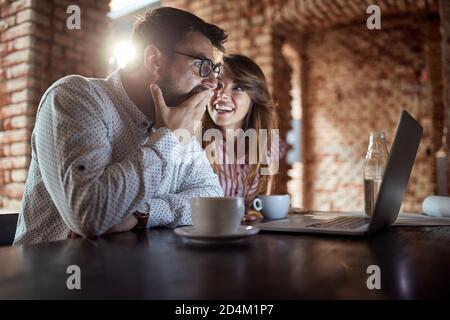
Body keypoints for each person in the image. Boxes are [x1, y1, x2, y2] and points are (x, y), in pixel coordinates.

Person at [14, 7, 227, 245]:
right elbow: (89, 215)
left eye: (214, 70)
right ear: (155, 61)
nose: (213, 83)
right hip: (52, 278)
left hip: (133, 277)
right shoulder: (75, 96)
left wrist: (141, 214)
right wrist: (168, 137)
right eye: (203, 65)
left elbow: (212, 200)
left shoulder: (178, 124)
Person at [202, 54, 286, 221]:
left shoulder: (269, 146)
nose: (222, 95)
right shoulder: (192, 144)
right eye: (218, 84)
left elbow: (257, 203)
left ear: (254, 98)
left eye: (238, 87)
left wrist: (254, 211)